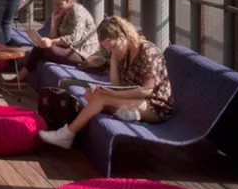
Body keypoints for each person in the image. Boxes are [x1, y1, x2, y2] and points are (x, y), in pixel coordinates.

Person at [38, 16, 174, 149]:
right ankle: (125, 112)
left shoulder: (148, 52)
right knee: (91, 94)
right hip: (136, 99)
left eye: (113, 47)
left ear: (122, 36)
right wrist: (114, 58)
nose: (112, 51)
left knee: (100, 98)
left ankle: (67, 134)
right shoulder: (124, 53)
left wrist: (111, 94)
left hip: (154, 105)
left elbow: (147, 90)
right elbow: (117, 84)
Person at [19, 0, 99, 83]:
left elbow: (75, 38)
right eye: (55, 4)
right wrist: (54, 20)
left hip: (82, 52)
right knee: (40, 46)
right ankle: (22, 77)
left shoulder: (78, 11)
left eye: (59, 4)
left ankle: (21, 77)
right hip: (70, 48)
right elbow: (54, 36)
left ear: (68, 0)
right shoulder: (63, 12)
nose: (57, 7)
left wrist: (52, 42)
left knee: (43, 48)